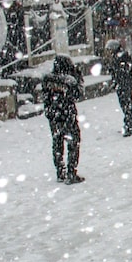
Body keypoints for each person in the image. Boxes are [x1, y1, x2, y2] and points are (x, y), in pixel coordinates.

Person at [42, 52, 85, 184]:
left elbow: (45, 97)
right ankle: (71, 172)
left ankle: (60, 172)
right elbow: (78, 95)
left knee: (57, 143)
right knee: (73, 141)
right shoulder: (69, 81)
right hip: (67, 114)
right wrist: (77, 77)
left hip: (53, 116)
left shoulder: (47, 79)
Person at [107, 39, 132, 137]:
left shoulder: (122, 56)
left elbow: (124, 71)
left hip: (124, 85)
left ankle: (130, 125)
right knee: (125, 105)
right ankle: (130, 124)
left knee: (127, 105)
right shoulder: (118, 56)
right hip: (121, 85)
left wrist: (119, 79)